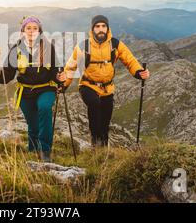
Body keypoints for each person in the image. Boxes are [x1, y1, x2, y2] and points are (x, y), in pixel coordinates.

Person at [63, 15, 150, 147]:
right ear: (92, 29)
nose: (101, 29)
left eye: (103, 26)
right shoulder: (83, 46)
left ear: (108, 28)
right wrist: (63, 85)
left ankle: (103, 146)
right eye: (97, 26)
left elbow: (130, 60)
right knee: (94, 104)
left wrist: (139, 72)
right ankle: (95, 140)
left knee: (105, 120)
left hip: (107, 88)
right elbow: (71, 67)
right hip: (87, 85)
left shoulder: (115, 45)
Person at [0, 16, 66, 162]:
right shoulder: (16, 49)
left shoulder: (48, 47)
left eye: (35, 28)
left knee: (44, 108)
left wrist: (60, 77)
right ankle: (32, 151)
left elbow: (55, 72)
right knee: (33, 125)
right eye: (28, 28)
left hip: (46, 88)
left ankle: (45, 152)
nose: (31, 31)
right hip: (25, 92)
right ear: (23, 31)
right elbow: (7, 75)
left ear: (40, 31)